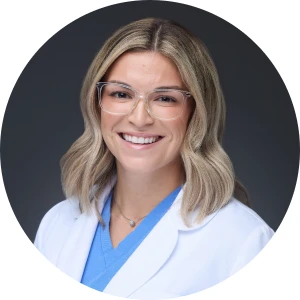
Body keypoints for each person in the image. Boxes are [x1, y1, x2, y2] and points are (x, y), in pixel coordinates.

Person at [34, 18, 274, 299]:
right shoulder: (57, 223)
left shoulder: (245, 242)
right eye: (121, 94)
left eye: (165, 99)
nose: (139, 118)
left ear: (197, 112)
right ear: (97, 104)